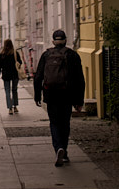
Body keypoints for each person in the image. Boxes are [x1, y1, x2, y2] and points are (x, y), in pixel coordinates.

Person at [34, 29, 85, 166]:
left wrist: (37, 95)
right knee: (65, 122)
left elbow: (38, 76)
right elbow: (79, 79)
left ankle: (58, 148)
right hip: (67, 94)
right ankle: (65, 150)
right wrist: (79, 101)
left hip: (51, 94)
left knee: (54, 122)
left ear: (53, 41)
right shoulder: (72, 55)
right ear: (66, 40)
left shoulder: (46, 55)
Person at [0, 39, 23, 115]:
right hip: (14, 74)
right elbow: (20, 62)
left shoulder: (2, 54)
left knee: (7, 91)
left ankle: (10, 108)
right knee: (14, 90)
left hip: (6, 75)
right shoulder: (15, 53)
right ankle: (15, 107)